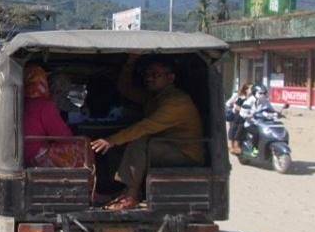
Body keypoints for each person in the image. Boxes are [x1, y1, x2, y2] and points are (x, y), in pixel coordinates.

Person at [90, 55, 204, 211]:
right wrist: (130, 62)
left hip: (185, 153)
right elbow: (126, 90)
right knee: (120, 147)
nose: (149, 79)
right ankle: (115, 191)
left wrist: (111, 140)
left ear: (170, 77)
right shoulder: (156, 97)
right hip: (165, 147)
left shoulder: (177, 101)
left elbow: (145, 127)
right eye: (147, 75)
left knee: (140, 141)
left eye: (155, 75)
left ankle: (131, 196)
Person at [22, 65, 73, 167]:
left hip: (18, 155)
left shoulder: (17, 101)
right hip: (35, 155)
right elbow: (62, 136)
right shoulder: (44, 105)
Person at [226, 83, 252, 154]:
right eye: (250, 88)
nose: (251, 90)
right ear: (246, 90)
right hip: (237, 116)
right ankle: (231, 146)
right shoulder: (241, 97)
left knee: (240, 131)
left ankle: (236, 146)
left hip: (245, 116)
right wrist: (243, 110)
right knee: (233, 130)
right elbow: (236, 106)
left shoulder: (251, 98)